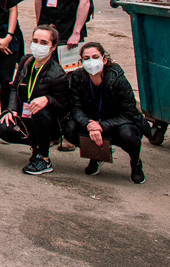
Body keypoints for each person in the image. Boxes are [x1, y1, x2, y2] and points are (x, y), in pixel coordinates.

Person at [64, 42, 149, 184]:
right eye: (86, 58)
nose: (91, 61)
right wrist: (89, 125)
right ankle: (97, 155)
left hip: (117, 124)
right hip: (92, 124)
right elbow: (76, 108)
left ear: (104, 59)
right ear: (81, 61)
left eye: (95, 57)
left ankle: (136, 162)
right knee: (69, 128)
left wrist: (102, 125)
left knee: (128, 134)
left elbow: (129, 112)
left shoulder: (117, 79)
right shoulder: (78, 78)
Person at [0, 25, 69, 176]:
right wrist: (11, 109)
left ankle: (44, 157)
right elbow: (15, 87)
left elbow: (64, 106)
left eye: (44, 43)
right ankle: (35, 145)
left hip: (48, 122)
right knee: (2, 127)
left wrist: (48, 99)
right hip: (25, 117)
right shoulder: (26, 61)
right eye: (35, 41)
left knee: (40, 112)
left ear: (53, 47)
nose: (38, 46)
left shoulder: (58, 74)